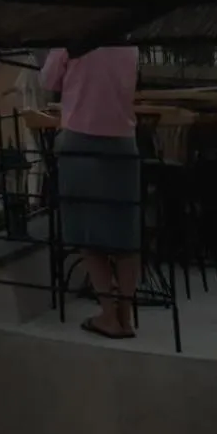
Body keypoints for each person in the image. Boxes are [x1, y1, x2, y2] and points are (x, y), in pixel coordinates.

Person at [39, 45, 142, 339]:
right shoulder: (129, 43)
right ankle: (126, 313)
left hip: (80, 139)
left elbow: (47, 81)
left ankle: (109, 314)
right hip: (124, 141)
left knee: (87, 231)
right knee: (125, 234)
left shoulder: (73, 40)